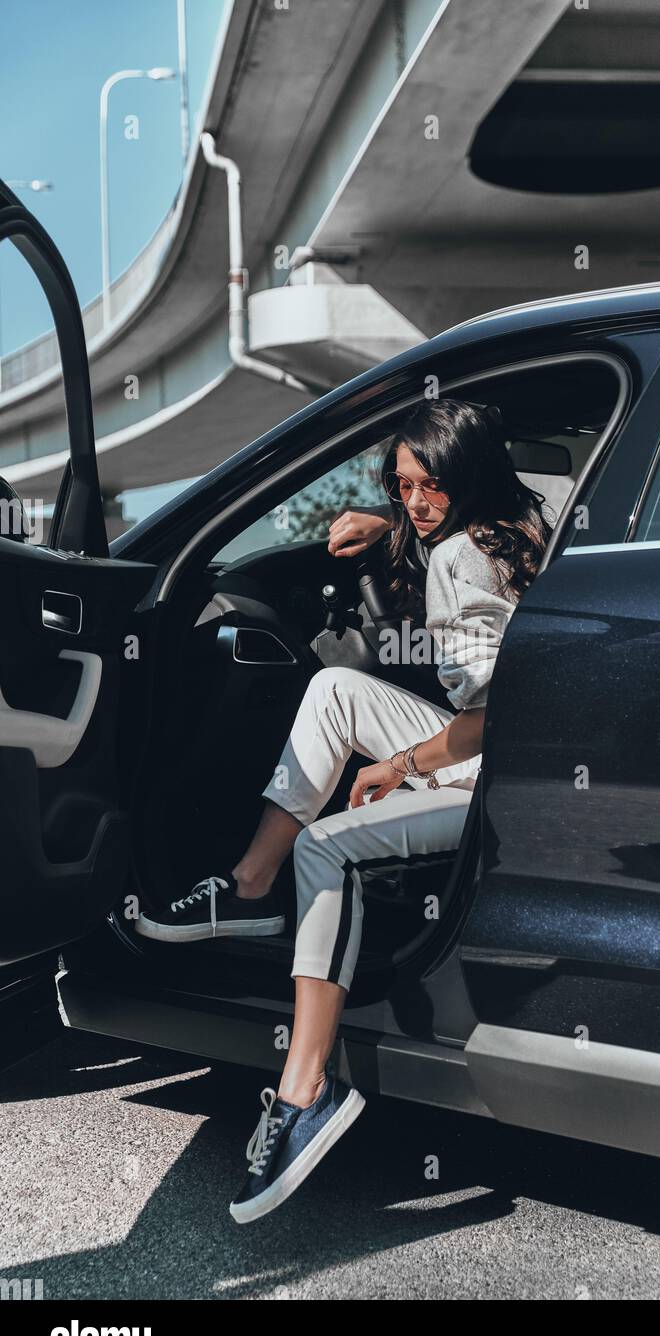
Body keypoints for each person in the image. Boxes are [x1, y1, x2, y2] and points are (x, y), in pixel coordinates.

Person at [137, 398, 550, 1222]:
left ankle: (304, 1093)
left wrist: (400, 765)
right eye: (404, 486)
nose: (417, 502)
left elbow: (491, 718)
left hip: (495, 775)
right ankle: (250, 884)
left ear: (465, 477)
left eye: (431, 484)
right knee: (334, 689)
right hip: (514, 757)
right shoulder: (522, 524)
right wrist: (389, 528)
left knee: (325, 848)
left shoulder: (459, 561)